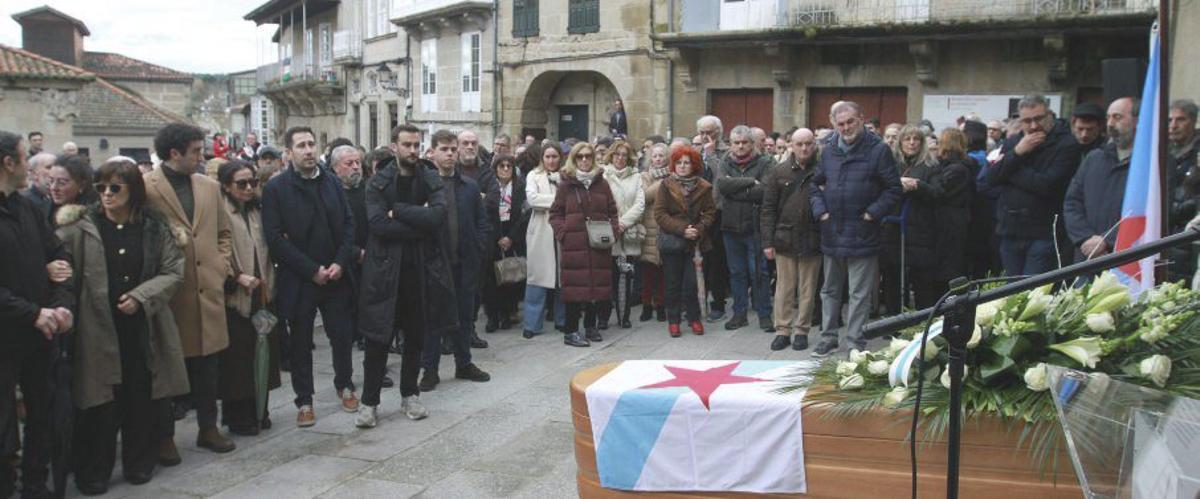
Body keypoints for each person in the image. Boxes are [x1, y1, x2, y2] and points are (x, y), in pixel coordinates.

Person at [57, 158, 189, 494]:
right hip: (96, 327)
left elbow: (173, 272)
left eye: (115, 188)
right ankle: (94, 470)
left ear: (133, 191)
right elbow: (62, 268)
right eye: (101, 187)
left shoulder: (154, 228)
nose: (107, 194)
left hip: (142, 326)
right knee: (99, 401)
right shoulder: (81, 227)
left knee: (140, 394)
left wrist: (141, 297)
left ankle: (139, 461)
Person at [355, 124, 458, 428]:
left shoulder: (429, 176)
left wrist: (398, 210)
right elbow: (377, 224)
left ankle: (410, 394)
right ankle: (369, 402)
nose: (413, 150)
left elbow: (438, 216)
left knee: (415, 337)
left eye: (416, 145)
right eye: (407, 145)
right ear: (394, 146)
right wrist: (418, 220)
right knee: (377, 341)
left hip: (421, 270)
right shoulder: (378, 181)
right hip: (384, 272)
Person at [144, 123, 236, 459]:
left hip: (207, 289)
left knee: (209, 365)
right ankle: (164, 435)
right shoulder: (148, 187)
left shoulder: (209, 187)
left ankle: (208, 428)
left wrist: (220, 265)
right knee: (167, 365)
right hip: (171, 292)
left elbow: (224, 233)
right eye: (196, 151)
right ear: (174, 153)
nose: (202, 157)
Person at [261, 126, 360, 428]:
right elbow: (275, 239)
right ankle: (304, 400)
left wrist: (340, 262)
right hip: (300, 279)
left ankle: (345, 385)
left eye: (311, 144)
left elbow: (348, 226)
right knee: (301, 343)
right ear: (288, 153)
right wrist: (311, 270)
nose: (308, 150)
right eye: (301, 145)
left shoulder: (331, 182)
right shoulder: (276, 189)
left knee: (341, 336)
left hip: (335, 276)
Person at [0, 131, 75, 499]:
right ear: (8, 163)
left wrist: (61, 304)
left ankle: (35, 483)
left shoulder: (28, 208)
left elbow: (58, 257)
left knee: (41, 412)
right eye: (23, 158)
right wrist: (31, 312)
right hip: (7, 334)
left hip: (40, 333)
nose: (31, 168)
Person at [810, 101, 901, 357]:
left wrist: (873, 213)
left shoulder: (879, 150)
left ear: (861, 119)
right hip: (832, 231)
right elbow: (815, 185)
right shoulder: (828, 150)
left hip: (863, 232)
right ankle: (828, 338)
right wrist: (821, 211)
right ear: (834, 124)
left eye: (851, 121)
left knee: (859, 293)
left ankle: (854, 342)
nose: (846, 127)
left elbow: (893, 189)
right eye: (840, 124)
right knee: (829, 290)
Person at [418, 130, 492, 392]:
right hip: (434, 266)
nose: (450, 154)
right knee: (433, 320)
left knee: (464, 316)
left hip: (464, 263)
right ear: (432, 152)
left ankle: (464, 363)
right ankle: (430, 369)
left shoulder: (469, 187)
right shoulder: (423, 186)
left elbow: (482, 222)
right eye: (444, 149)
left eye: (452, 149)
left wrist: (478, 248)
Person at [215, 160, 281, 436]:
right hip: (235, 294)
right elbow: (214, 252)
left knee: (262, 353)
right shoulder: (220, 212)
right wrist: (235, 277)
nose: (248, 188)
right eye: (241, 184)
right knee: (238, 360)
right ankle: (239, 417)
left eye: (252, 183)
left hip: (262, 292)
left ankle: (260, 410)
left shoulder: (257, 211)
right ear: (226, 186)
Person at [984, 94, 1082, 277]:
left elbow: (1046, 185)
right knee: (1012, 288)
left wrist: (1010, 169)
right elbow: (991, 178)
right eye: (1027, 121)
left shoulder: (1067, 144)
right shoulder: (1014, 142)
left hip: (1043, 232)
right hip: (1010, 230)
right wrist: (1017, 153)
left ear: (1049, 115)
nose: (1034, 126)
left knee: (1033, 288)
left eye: (1039, 119)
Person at [550, 142, 619, 347]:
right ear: (573, 159)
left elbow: (613, 211)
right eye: (580, 156)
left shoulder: (602, 184)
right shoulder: (566, 184)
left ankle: (591, 326)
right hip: (574, 245)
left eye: (588, 156)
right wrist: (563, 234)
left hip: (598, 244)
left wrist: (613, 232)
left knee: (595, 288)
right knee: (574, 288)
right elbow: (555, 213)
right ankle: (571, 331)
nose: (584, 160)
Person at [761, 128, 821, 351]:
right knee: (784, 288)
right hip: (785, 237)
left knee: (808, 289)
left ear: (814, 145)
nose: (804, 148)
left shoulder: (822, 170)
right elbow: (768, 208)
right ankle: (783, 330)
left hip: (812, 238)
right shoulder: (779, 171)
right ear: (791, 146)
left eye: (808, 143)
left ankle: (802, 330)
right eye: (799, 144)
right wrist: (767, 241)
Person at [1064, 97, 1139, 263]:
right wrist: (1085, 238)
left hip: (1126, 258)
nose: (1110, 123)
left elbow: (1145, 212)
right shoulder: (1094, 158)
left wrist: (1107, 240)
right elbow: (1072, 202)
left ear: (1137, 121)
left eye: (1117, 117)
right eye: (1108, 117)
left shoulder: (1151, 164)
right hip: (1087, 254)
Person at [715, 125, 775, 332]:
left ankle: (764, 314)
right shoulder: (725, 162)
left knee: (760, 272)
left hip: (755, 227)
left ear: (752, 143)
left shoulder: (765, 162)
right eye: (736, 142)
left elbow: (764, 191)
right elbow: (722, 186)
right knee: (736, 272)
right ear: (730, 144)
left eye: (744, 142)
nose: (740, 146)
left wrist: (734, 188)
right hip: (730, 227)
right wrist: (750, 182)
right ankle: (739, 314)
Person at [655, 145, 716, 337]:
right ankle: (673, 320)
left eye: (686, 163)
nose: (682, 166)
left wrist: (698, 229)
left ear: (694, 165)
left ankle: (694, 318)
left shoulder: (704, 186)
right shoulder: (666, 185)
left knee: (692, 284)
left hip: (695, 243)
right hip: (673, 241)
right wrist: (682, 230)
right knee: (672, 284)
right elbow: (660, 214)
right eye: (679, 163)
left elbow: (710, 213)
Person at [884, 125, 942, 310]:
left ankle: (924, 319)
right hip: (893, 229)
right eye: (907, 139)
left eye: (916, 139)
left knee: (922, 281)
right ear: (900, 143)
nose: (911, 143)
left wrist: (918, 185)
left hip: (921, 230)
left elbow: (938, 193)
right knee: (893, 278)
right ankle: (894, 318)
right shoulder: (891, 164)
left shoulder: (931, 166)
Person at [598, 140, 645, 330]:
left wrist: (623, 223)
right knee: (606, 278)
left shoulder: (636, 176)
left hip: (628, 233)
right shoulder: (603, 175)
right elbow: (599, 202)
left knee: (626, 276)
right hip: (608, 233)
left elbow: (640, 204)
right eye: (617, 154)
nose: (620, 158)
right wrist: (613, 224)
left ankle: (624, 316)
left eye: (624, 155)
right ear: (611, 155)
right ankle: (603, 317)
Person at [522, 143, 567, 338]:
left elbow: (572, 200)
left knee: (562, 277)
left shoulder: (566, 176)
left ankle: (562, 320)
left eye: (554, 156)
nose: (551, 160)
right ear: (542, 158)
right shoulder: (533, 175)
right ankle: (532, 324)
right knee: (537, 277)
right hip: (540, 231)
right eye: (547, 156)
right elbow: (532, 200)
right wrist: (558, 201)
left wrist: (548, 201)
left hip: (562, 230)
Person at [483, 154, 526, 332]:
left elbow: (524, 215)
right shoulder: (489, 186)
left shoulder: (520, 187)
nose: (506, 169)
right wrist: (497, 238)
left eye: (509, 166)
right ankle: (492, 316)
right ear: (496, 168)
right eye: (502, 166)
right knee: (491, 280)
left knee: (510, 279)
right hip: (493, 237)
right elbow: (484, 214)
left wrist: (511, 238)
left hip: (512, 235)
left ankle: (507, 314)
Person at [696, 115, 731, 321]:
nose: (705, 136)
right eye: (701, 132)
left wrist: (710, 156)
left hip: (718, 211)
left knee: (716, 260)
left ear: (718, 132)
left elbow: (723, 180)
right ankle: (697, 301)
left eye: (709, 132)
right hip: (697, 212)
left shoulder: (727, 152)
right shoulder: (695, 152)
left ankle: (718, 303)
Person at [932, 128, 975, 290]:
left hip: (950, 221)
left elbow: (940, 191)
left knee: (949, 265)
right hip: (955, 219)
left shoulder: (956, 169)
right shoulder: (960, 166)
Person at [1168, 99, 1200, 283]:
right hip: (1165, 235)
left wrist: (1176, 210)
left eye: (1180, 119)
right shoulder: (1162, 151)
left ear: (1193, 121)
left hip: (1189, 236)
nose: (1173, 125)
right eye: (1170, 120)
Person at [639, 143, 670, 322]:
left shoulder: (673, 175)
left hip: (666, 228)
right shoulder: (645, 176)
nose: (658, 159)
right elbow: (644, 197)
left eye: (661, 155)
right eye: (655, 156)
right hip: (649, 228)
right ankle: (646, 305)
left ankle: (660, 305)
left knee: (664, 273)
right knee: (648, 272)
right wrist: (662, 183)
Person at [47, 154, 96, 225]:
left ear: (81, 185)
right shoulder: (45, 211)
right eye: (51, 181)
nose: (53, 188)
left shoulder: (91, 219)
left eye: (62, 183)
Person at [21, 152, 56, 217]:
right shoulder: (24, 202)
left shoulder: (56, 199)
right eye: (49, 167)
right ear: (33, 173)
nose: (54, 171)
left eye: (56, 167)